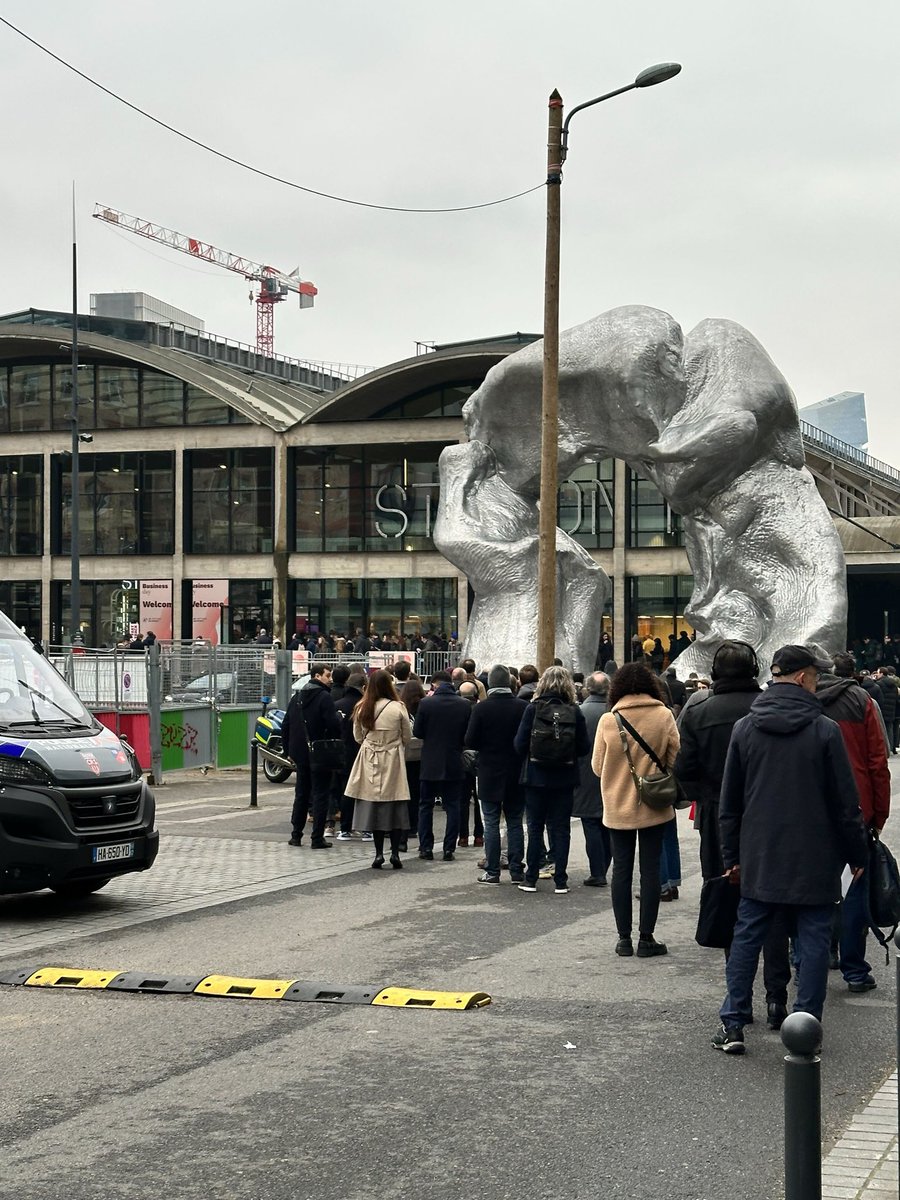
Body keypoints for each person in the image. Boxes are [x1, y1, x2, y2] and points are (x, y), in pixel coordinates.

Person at [712, 645, 869, 1055]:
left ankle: (733, 1023)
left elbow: (729, 805)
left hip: (760, 853)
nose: (818, 681)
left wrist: (732, 858)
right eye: (816, 675)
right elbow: (845, 803)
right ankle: (806, 1026)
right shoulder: (824, 729)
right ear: (802, 678)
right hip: (815, 854)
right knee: (814, 938)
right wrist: (857, 855)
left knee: (748, 936)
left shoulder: (746, 728)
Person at [675, 640, 791, 1029]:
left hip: (717, 816)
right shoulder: (767, 708)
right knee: (773, 904)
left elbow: (684, 769)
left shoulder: (700, 711)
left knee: (730, 902)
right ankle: (777, 996)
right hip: (769, 814)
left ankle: (739, 1000)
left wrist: (707, 795)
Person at [591, 662, 680, 957]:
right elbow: (674, 757)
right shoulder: (663, 714)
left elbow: (596, 767)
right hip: (654, 803)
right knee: (651, 870)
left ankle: (623, 939)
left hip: (618, 804)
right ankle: (646, 938)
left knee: (622, 870)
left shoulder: (608, 720)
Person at [818, 652, 891, 993]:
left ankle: (810, 957)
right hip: (856, 807)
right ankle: (854, 969)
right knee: (855, 888)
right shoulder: (862, 700)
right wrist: (878, 815)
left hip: (812, 810)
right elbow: (878, 761)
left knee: (812, 887)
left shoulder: (804, 698)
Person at [513, 665, 589, 895]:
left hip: (536, 776)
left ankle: (531, 878)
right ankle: (561, 880)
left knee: (535, 828)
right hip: (564, 777)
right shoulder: (574, 710)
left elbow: (519, 745)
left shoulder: (533, 709)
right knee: (561, 828)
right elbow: (584, 747)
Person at [465, 664, 528, 884]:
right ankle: (517, 870)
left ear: (490, 683)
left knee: (491, 822)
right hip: (516, 770)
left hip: (489, 771)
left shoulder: (481, 709)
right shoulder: (523, 707)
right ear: (511, 683)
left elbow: (470, 740)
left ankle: (492, 871)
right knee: (514, 821)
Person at [343, 670, 411, 868]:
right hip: (393, 757)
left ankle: (379, 853)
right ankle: (395, 852)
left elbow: (357, 736)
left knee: (373, 803)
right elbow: (407, 735)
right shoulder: (398, 707)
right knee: (396, 802)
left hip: (369, 756)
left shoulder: (362, 706)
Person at [413, 670, 472, 861]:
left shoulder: (426, 703)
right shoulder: (464, 704)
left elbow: (418, 731)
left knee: (425, 805)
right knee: (453, 805)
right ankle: (448, 848)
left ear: (434, 685)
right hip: (454, 759)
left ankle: (426, 847)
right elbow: (467, 735)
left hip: (430, 760)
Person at [282, 662, 340, 849]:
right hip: (320, 753)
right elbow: (333, 725)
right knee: (321, 794)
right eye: (327, 675)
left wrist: (288, 750)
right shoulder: (324, 698)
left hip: (300, 754)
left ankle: (296, 835)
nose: (330, 679)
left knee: (301, 794)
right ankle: (317, 837)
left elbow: (286, 725)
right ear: (317, 676)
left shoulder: (297, 697)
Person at [572, 672, 612, 887]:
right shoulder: (614, 712)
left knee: (590, 822)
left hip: (585, 771)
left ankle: (598, 870)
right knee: (608, 822)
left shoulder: (581, 712)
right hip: (612, 772)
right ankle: (604, 865)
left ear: (587, 688)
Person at [333, 671, 367, 840]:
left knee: (342, 789)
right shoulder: (365, 706)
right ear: (363, 687)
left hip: (339, 752)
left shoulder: (337, 704)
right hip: (360, 752)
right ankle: (364, 827)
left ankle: (343, 827)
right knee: (363, 791)